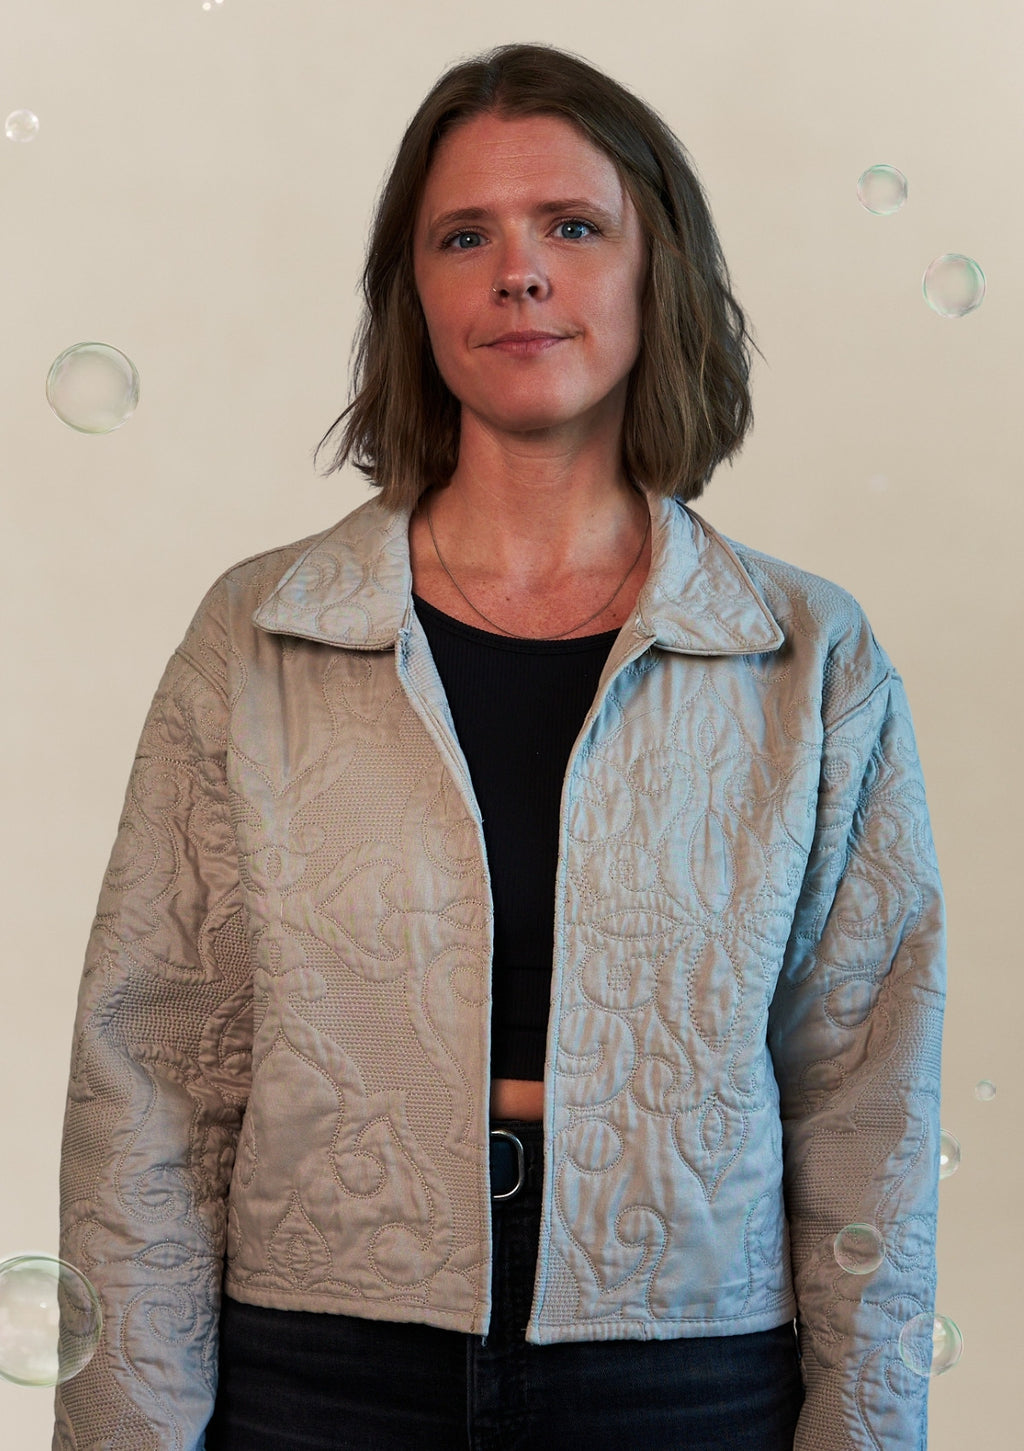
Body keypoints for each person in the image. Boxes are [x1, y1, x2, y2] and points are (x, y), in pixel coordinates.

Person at [53, 40, 946, 1451]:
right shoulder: (263, 634)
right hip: (317, 1372)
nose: (517, 272)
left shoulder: (807, 658)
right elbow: (155, 1068)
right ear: (415, 294)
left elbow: (868, 1099)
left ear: (660, 272)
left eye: (572, 227)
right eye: (464, 235)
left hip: (692, 1375)